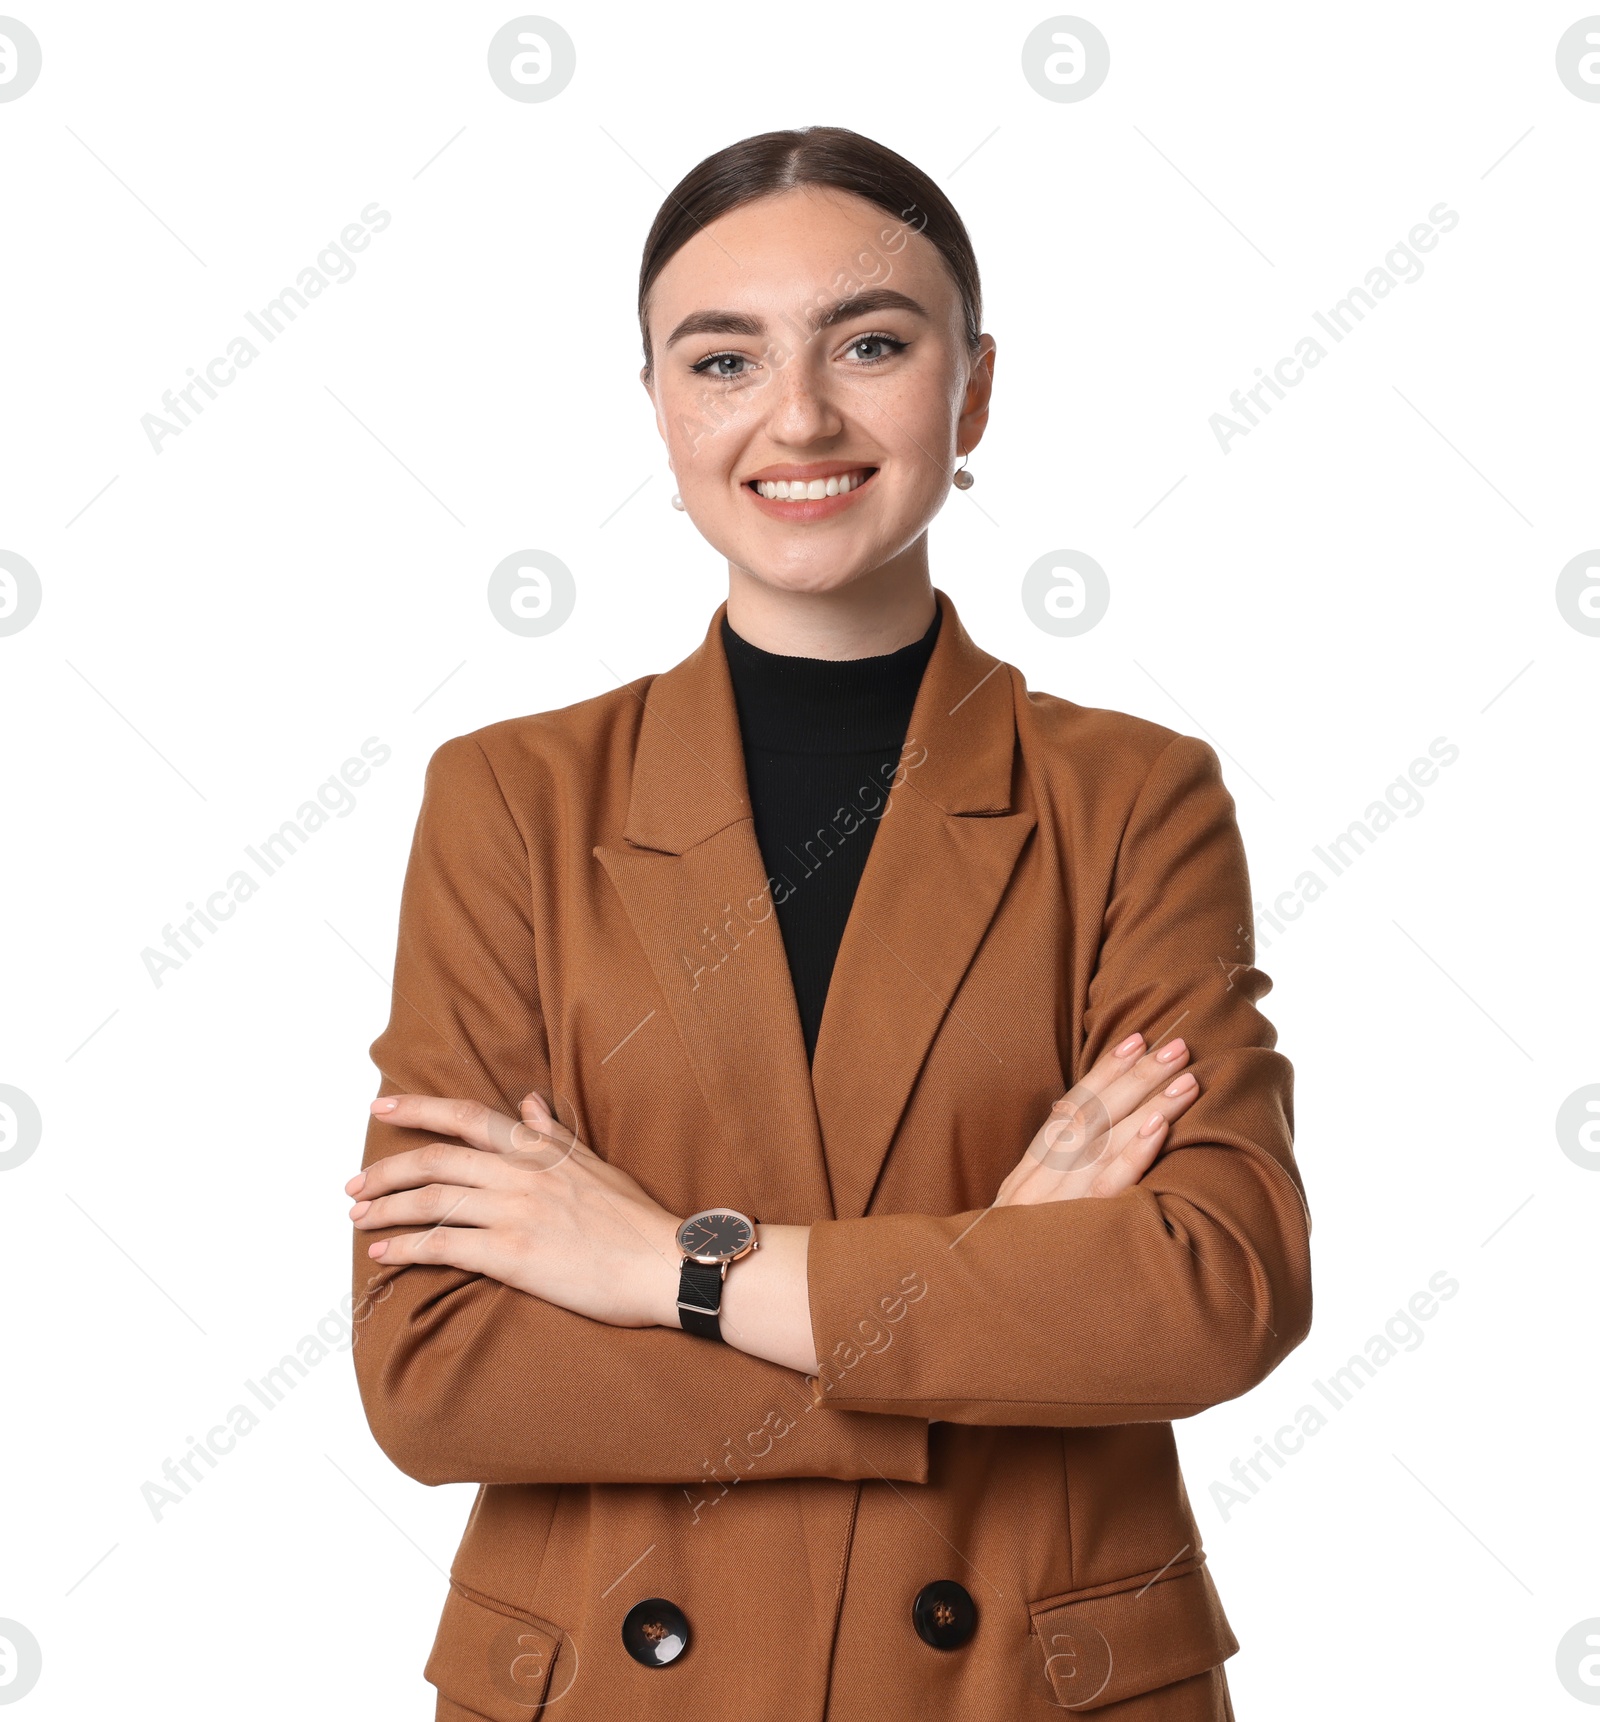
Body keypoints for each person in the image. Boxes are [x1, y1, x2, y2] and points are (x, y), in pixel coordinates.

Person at [347, 125, 1312, 1720]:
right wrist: (991, 1302)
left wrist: (667, 1268)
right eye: (724, 359)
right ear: (659, 406)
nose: (798, 417)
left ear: (974, 390)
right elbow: (438, 1367)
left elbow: (1212, 1288)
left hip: (1021, 1682)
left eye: (870, 344)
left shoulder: (1134, 797)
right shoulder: (509, 800)